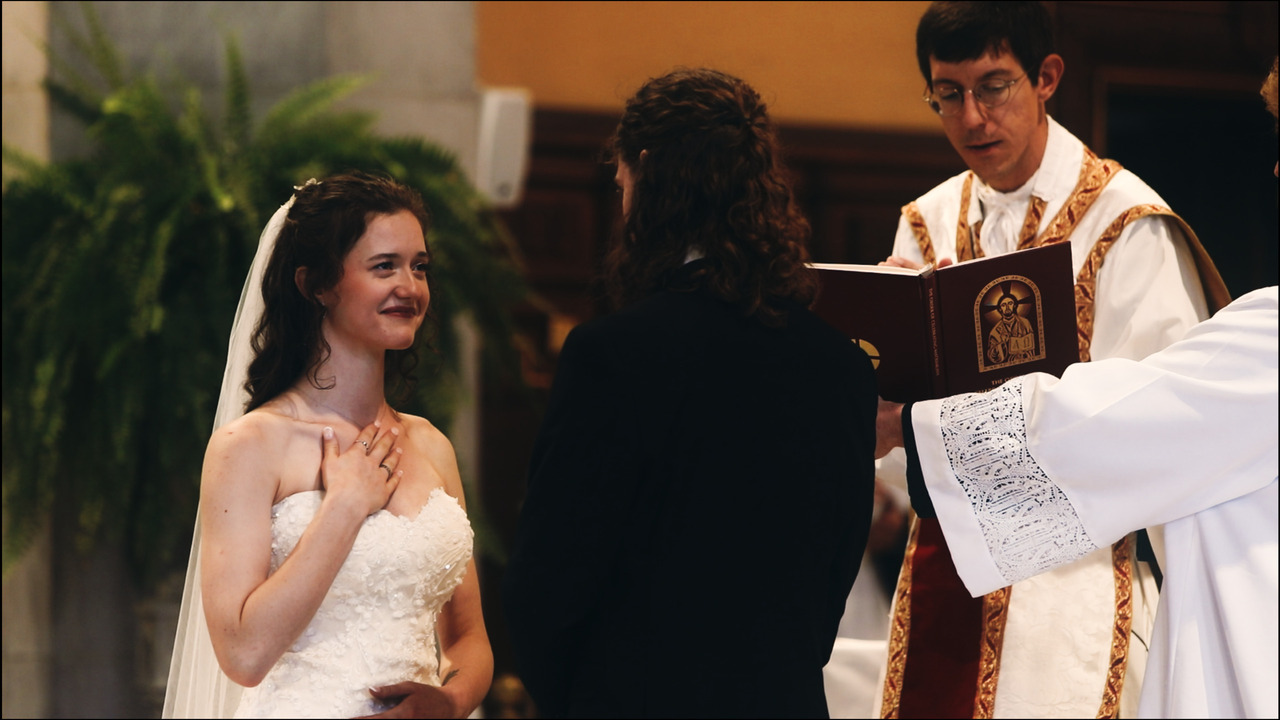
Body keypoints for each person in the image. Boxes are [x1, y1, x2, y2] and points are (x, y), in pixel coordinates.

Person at [873, 57, 1279, 718]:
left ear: (1045, 78)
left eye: (993, 87)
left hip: (1082, 589)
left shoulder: (1138, 227)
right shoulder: (929, 217)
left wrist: (913, 427)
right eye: (947, 94)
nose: (1276, 170)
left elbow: (1122, 423)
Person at [501, 68, 878, 718]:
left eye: (620, 182)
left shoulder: (611, 356)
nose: (620, 200)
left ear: (646, 170)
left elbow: (547, 585)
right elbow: (831, 583)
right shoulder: (840, 365)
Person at [162, 172, 492, 718]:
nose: (409, 286)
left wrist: (448, 701)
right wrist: (343, 507)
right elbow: (243, 655)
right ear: (316, 284)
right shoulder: (250, 446)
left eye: (419, 266)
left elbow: (470, 638)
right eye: (384, 266)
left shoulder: (431, 445)